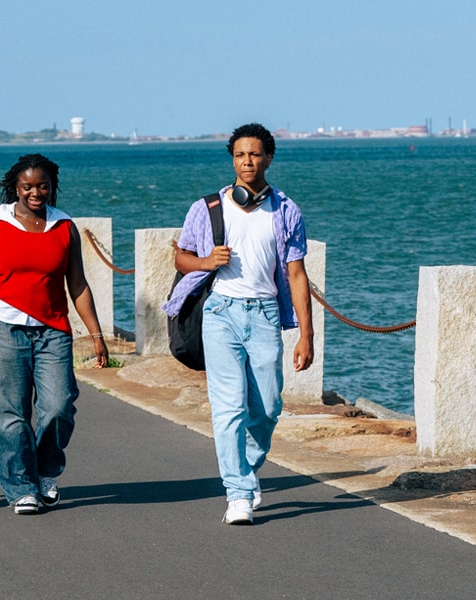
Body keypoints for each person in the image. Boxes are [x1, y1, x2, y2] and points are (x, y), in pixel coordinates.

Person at [164, 123, 314, 525]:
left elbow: (297, 275)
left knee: (267, 407)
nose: (247, 162)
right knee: (228, 409)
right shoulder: (208, 208)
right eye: (240, 155)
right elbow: (181, 259)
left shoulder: (285, 210)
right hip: (220, 313)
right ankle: (238, 493)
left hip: (265, 314)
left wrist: (306, 334)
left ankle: (245, 470)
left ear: (268, 158)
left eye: (255, 154)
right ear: (232, 159)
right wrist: (205, 262)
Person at [0, 154, 109, 515]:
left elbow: (78, 284)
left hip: (53, 329)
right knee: (9, 412)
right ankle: (21, 486)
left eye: (42, 186)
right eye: (27, 187)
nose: (35, 193)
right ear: (15, 188)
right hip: (1, 325)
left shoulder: (65, 227)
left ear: (51, 186)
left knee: (59, 406)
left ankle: (46, 472)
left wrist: (96, 334)